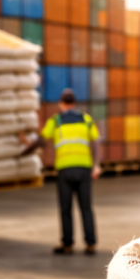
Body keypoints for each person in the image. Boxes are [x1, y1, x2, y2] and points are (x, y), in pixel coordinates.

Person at [40, 88, 101, 254]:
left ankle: (67, 245)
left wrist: (25, 143)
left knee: (65, 209)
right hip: (84, 169)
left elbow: (42, 139)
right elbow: (96, 142)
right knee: (86, 207)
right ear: (74, 103)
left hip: (65, 170)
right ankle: (90, 244)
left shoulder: (56, 120)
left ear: (61, 104)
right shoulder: (86, 119)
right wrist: (96, 165)